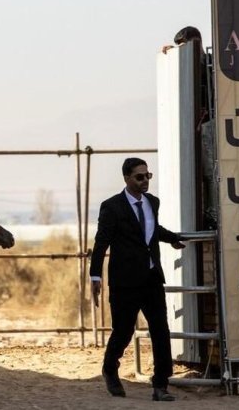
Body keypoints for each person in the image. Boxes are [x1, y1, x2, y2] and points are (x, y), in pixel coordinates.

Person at [89, 158, 186, 402]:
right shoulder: (111, 207)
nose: (145, 181)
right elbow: (101, 242)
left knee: (160, 330)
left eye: (148, 175)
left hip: (152, 278)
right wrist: (95, 275)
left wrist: (173, 238)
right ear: (127, 178)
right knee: (123, 331)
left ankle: (160, 385)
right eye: (139, 177)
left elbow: (152, 230)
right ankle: (110, 369)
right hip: (125, 282)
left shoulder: (153, 202)